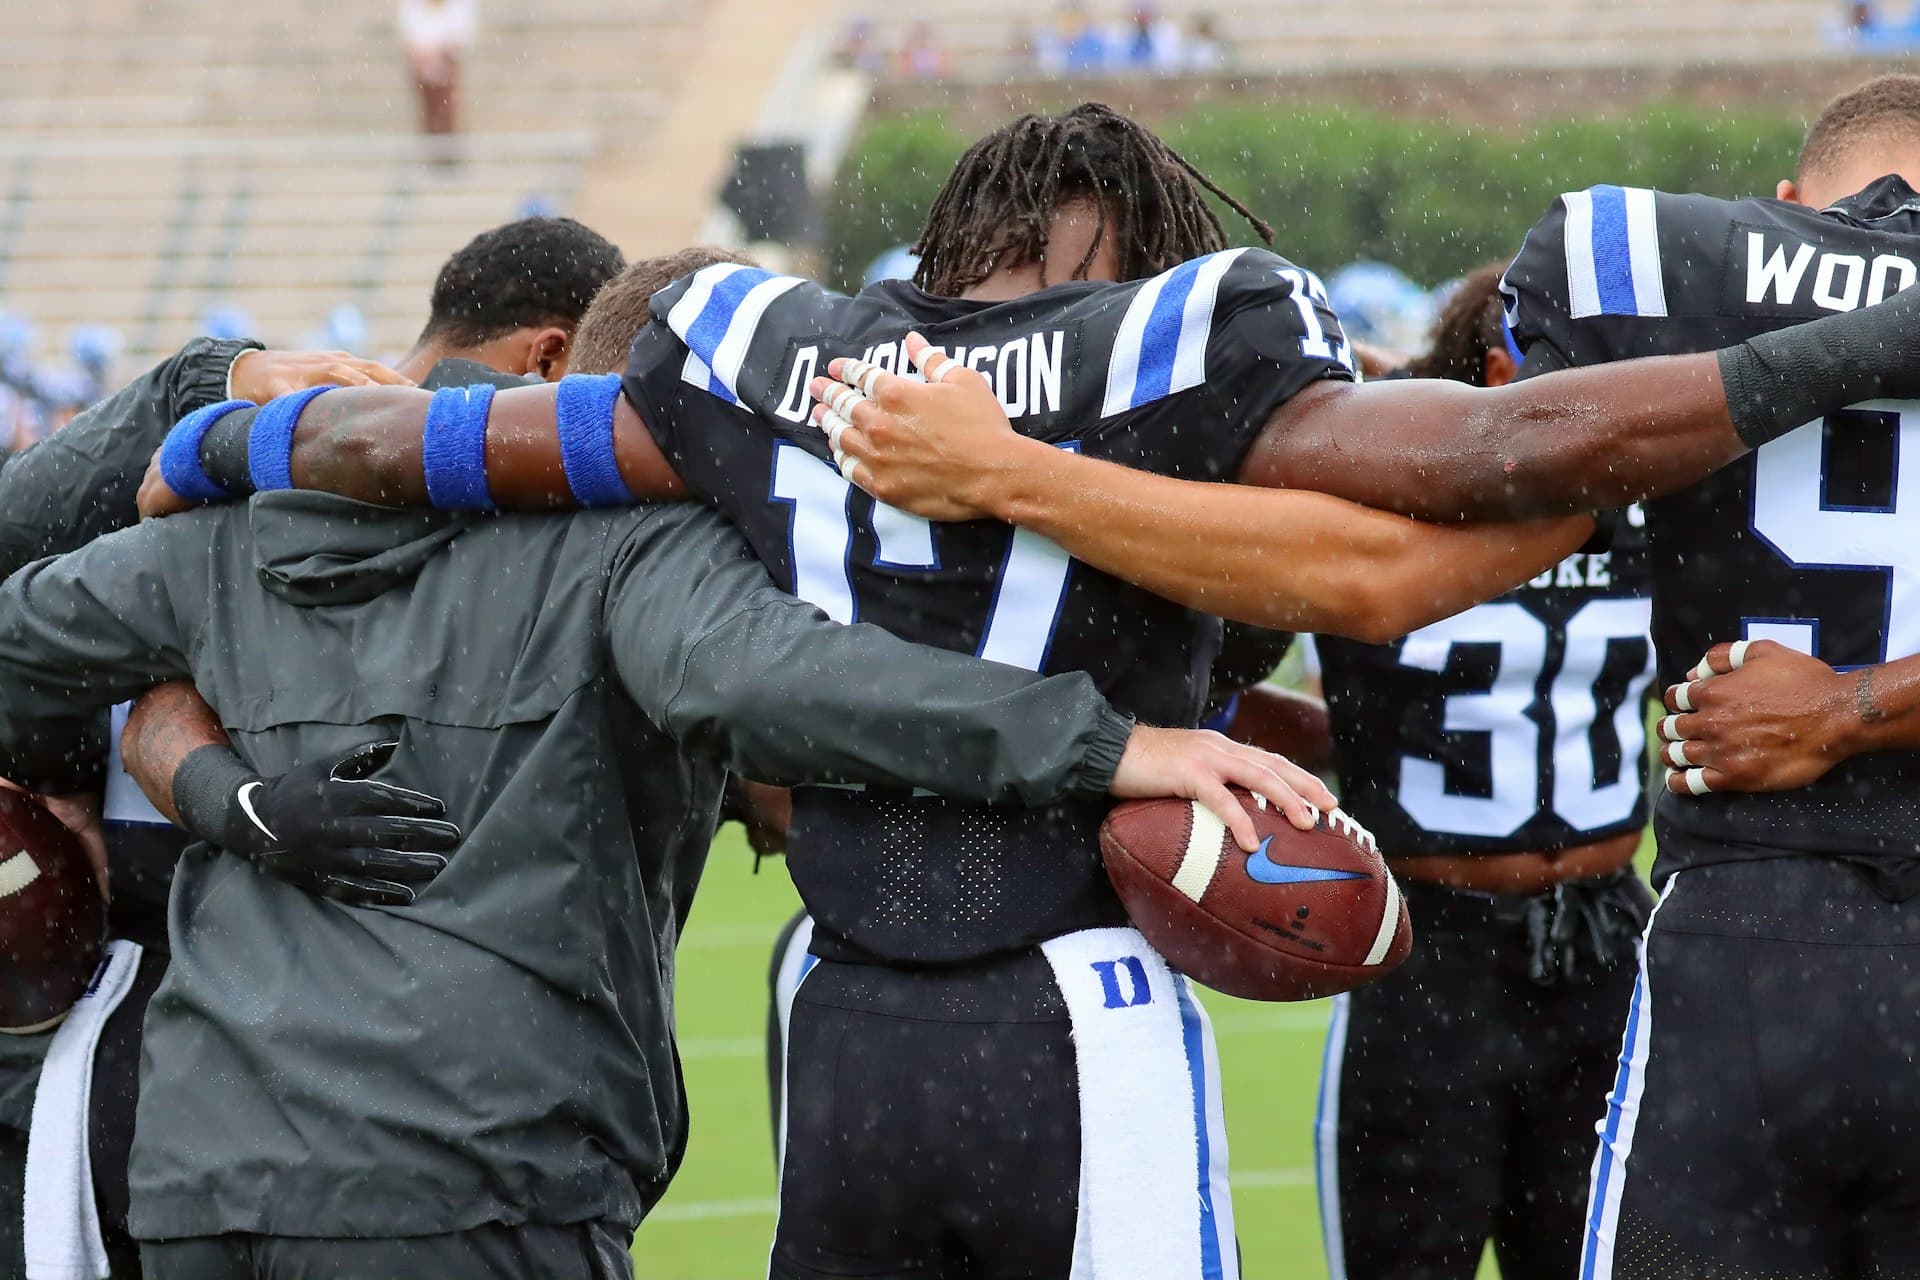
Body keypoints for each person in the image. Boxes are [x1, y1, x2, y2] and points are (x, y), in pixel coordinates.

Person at [135, 92, 1920, 1274]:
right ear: (1146, 241)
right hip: (1077, 1010)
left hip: (832, 1014)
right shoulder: (1173, 352)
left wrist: (232, 432)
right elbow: (1488, 454)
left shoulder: (787, 361)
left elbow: (423, 443)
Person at [809, 79, 1920, 1280]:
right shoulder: (1642, 451)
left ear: (1792, 210)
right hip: (1461, 938)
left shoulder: (1659, 342)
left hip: (1682, 936)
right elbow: (1395, 554)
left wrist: (1844, 711)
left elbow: (1395, 556)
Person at [0, 408, 1308, 1280]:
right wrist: (1106, 744)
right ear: (547, 375)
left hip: (205, 1187)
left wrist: (198, 753)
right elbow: (806, 685)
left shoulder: (214, 548)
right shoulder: (621, 544)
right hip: (478, 1181)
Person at [0, 214, 623, 1279]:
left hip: (231, 1114)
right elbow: (105, 663)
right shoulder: (310, 460)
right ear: (551, 355)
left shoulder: (271, 469)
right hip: (251, 1080)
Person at [1307, 265, 1658, 1280]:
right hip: (1426, 953)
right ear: (1505, 367)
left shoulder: (1650, 494)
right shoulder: (1372, 493)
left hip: (1607, 945)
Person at [398, 0, 476, 137]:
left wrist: (438, 54)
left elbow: (460, 36)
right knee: (432, 111)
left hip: (444, 61)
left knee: (444, 111)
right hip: (425, 62)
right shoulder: (413, 8)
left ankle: (444, 141)